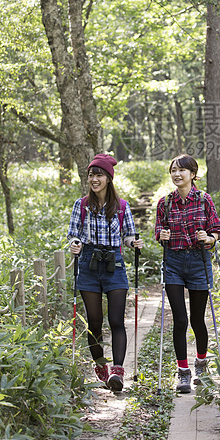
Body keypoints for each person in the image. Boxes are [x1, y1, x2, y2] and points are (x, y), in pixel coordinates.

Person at [68, 153, 143, 392]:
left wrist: (134, 244)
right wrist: (75, 244)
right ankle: (101, 366)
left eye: (99, 174)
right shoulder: (81, 205)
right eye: (91, 175)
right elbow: (73, 234)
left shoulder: (121, 206)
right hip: (88, 265)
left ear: (109, 178)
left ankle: (118, 372)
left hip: (114, 264)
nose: (94, 179)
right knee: (95, 323)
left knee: (116, 320)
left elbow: (128, 236)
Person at [155, 154, 220, 393]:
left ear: (193, 174)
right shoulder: (165, 203)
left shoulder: (204, 200)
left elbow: (217, 228)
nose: (177, 174)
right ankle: (183, 372)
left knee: (197, 319)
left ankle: (201, 364)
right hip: (173, 261)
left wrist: (210, 237)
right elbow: (158, 230)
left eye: (182, 170)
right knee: (180, 320)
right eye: (173, 170)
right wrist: (161, 235)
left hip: (198, 262)